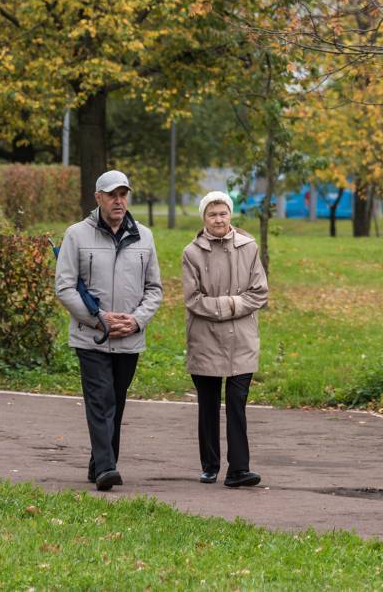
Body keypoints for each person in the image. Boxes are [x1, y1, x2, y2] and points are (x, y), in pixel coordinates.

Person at [55, 170, 162, 491]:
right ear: (98, 198)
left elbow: (154, 288)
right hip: (91, 337)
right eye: (112, 195)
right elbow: (65, 287)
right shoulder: (76, 235)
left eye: (123, 194)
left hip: (129, 338)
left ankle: (98, 463)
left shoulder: (145, 236)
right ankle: (106, 467)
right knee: (101, 400)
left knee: (116, 399)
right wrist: (98, 319)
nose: (119, 201)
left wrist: (136, 320)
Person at [181, 191, 269, 488]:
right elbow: (193, 300)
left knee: (237, 401)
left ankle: (239, 469)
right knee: (208, 403)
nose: (218, 219)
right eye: (212, 214)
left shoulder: (249, 247)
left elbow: (259, 292)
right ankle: (210, 464)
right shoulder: (191, 253)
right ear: (204, 218)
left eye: (223, 213)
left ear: (230, 215)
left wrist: (225, 306)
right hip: (204, 338)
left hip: (241, 339)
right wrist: (231, 306)